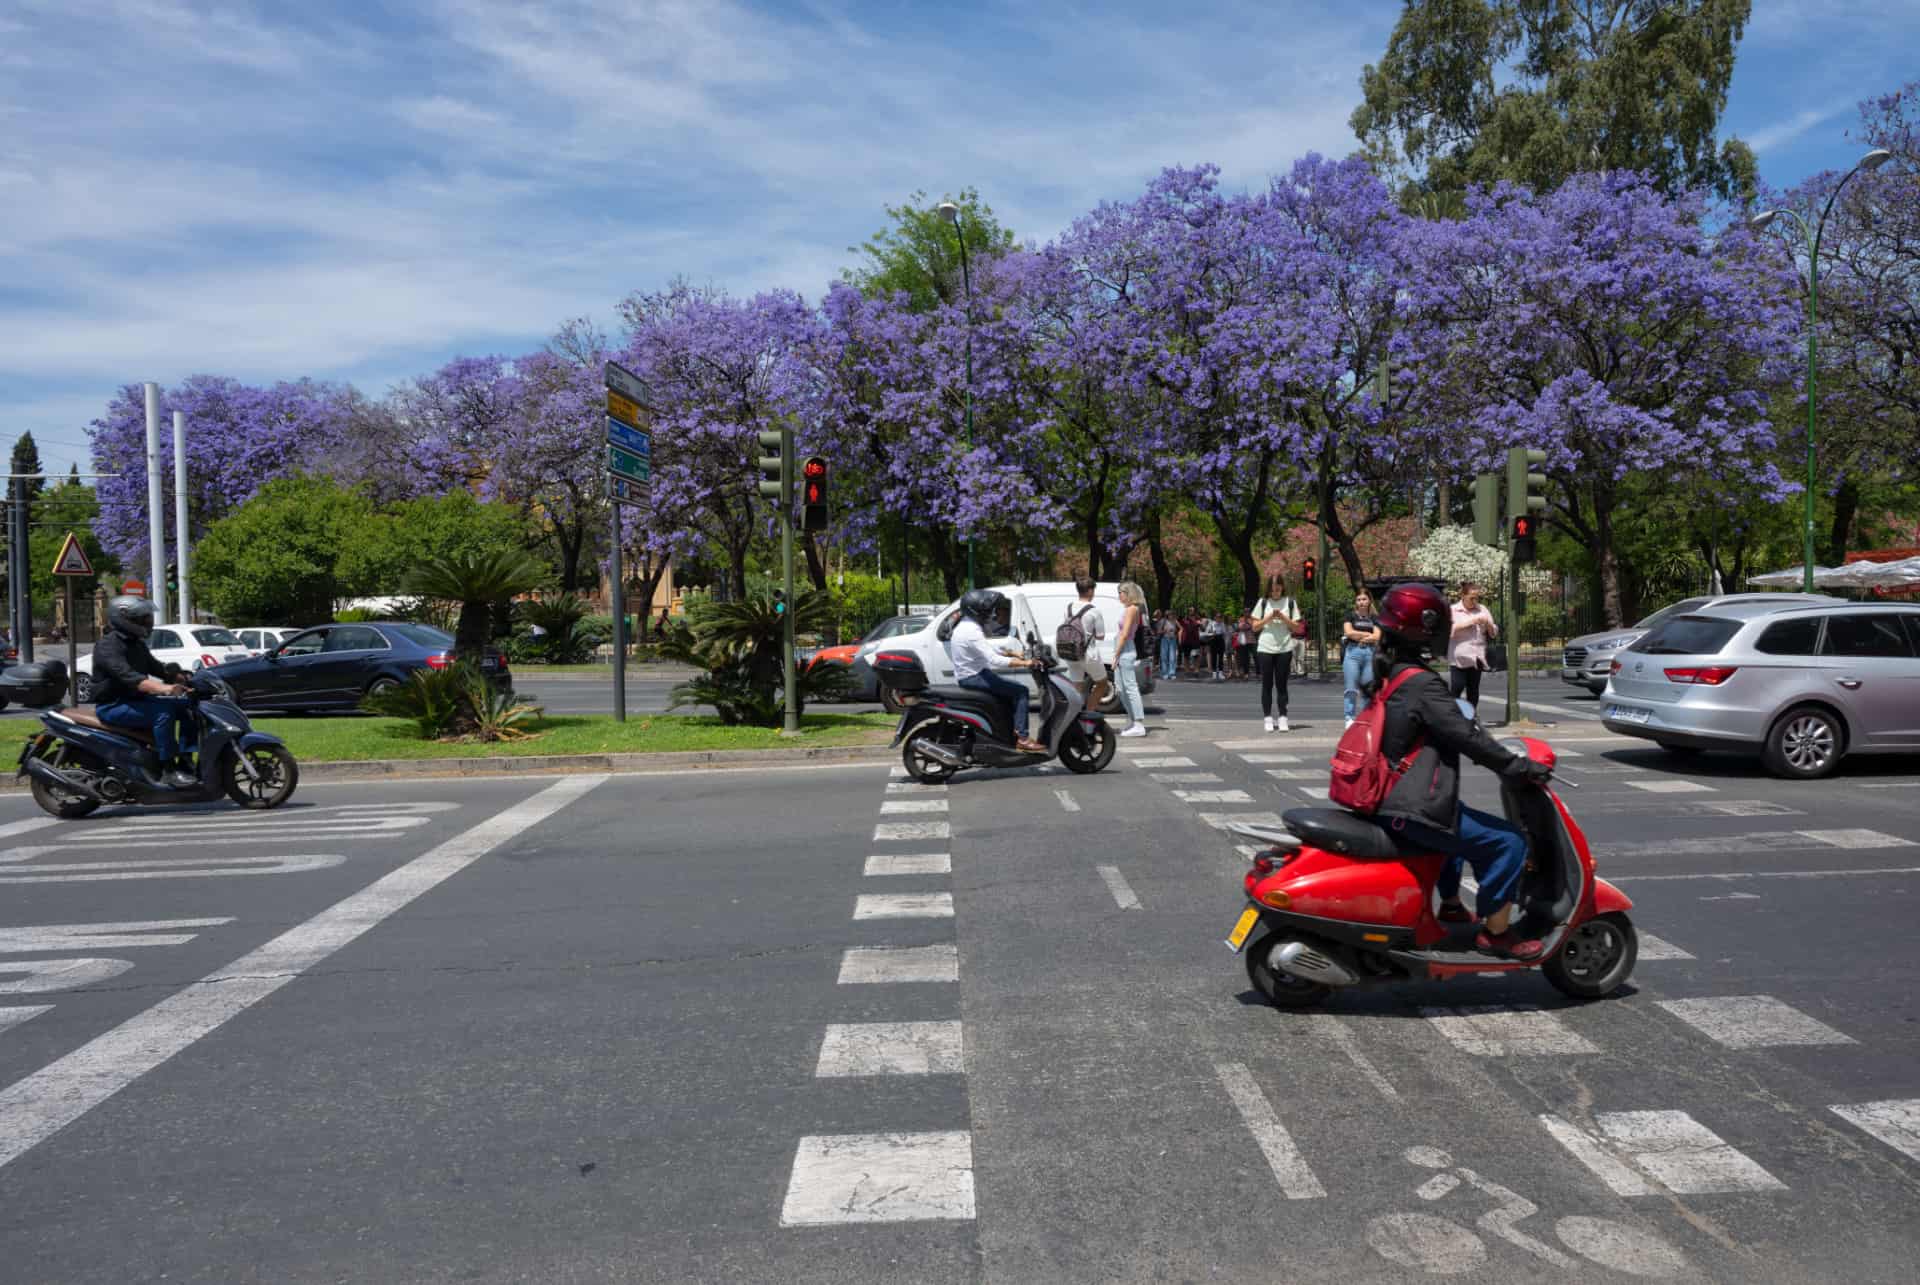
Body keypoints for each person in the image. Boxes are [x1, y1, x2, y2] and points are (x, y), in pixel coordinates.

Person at [1367, 582, 1553, 959]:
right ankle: (1497, 934)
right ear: (1426, 629)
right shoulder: (1421, 684)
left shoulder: (1390, 675)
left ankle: (1450, 904)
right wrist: (1518, 767)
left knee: (1454, 824)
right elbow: (1466, 735)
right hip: (1409, 806)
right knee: (1508, 842)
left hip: (1390, 797)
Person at [91, 595, 198, 788]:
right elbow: (131, 678)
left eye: (148, 617)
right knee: (163, 714)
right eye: (142, 618)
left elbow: (158, 669)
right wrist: (165, 688)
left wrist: (186, 679)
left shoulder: (136, 644)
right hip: (113, 705)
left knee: (189, 706)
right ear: (124, 618)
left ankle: (186, 760)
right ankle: (168, 771)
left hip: (136, 702)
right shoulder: (108, 646)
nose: (148, 622)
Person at [948, 589, 1046, 753]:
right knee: (1021, 691)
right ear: (977, 610)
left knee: (1008, 696)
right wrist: (1026, 663)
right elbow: (993, 660)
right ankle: (1022, 738)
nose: (991, 613)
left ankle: (1009, 734)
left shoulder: (967, 625)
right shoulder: (971, 630)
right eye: (987, 609)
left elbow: (983, 647)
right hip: (975, 677)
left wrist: (1011, 652)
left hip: (973, 674)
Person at [1252, 574, 1304, 733]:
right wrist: (1269, 617)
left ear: (1282, 587)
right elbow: (1255, 627)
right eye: (1272, 589)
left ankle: (1283, 717)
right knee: (1267, 684)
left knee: (1282, 685)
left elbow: (1297, 628)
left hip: (1284, 648)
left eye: (1278, 588)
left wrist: (1282, 616)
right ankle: (1268, 717)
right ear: (1268, 588)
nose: (1275, 591)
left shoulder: (1290, 603)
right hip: (1265, 647)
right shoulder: (1262, 602)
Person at [1448, 582, 1499, 712]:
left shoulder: (1482, 609)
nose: (1474, 601)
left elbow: (1493, 633)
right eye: (1472, 597)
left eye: (1477, 597)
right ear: (1463, 595)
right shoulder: (1453, 610)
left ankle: (1470, 716)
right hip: (1459, 658)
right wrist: (1471, 622)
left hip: (1477, 657)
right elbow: (1449, 630)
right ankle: (1454, 716)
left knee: (1473, 689)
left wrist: (1488, 624)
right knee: (1457, 688)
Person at [1110, 581, 1150, 737]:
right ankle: (1133, 721)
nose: (1119, 595)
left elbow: (1125, 634)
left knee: (1130, 687)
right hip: (1123, 649)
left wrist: (1116, 655)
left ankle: (1139, 724)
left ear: (1129, 593)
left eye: (1121, 592)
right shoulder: (1127, 609)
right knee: (1120, 689)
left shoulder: (1132, 609)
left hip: (1125, 650)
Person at [1064, 575, 1110, 709]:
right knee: (1102, 684)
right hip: (1088, 653)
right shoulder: (1094, 611)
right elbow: (1101, 636)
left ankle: (1074, 716)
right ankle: (1088, 714)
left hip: (1071, 653)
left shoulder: (1069, 608)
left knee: (1076, 686)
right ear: (1090, 591)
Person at [1341, 588, 1382, 728]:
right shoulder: (1350, 615)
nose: (1361, 602)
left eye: (1364, 599)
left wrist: (1359, 634)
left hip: (1370, 654)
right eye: (1359, 600)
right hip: (1353, 653)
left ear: (1369, 601)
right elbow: (1348, 633)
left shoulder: (1375, 618)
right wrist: (1367, 635)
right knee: (1351, 687)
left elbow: (1377, 636)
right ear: (1356, 602)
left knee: (1368, 688)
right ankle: (1349, 717)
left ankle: (1366, 717)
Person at [1157, 610, 1178, 682]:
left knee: (1172, 657)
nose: (1171, 616)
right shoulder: (1163, 621)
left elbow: (1181, 628)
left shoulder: (1175, 621)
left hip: (1172, 639)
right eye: (1169, 615)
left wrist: (1176, 633)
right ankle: (1164, 673)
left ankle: (1172, 673)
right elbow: (1158, 631)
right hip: (1165, 639)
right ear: (1167, 615)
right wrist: (1165, 631)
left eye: (1172, 614)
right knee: (1164, 657)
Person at [1232, 614, 1255, 680]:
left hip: (1246, 643)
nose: (1242, 619)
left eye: (1243, 618)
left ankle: (1246, 673)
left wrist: (1243, 625)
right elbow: (1234, 631)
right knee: (1238, 658)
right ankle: (1239, 672)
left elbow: (1249, 627)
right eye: (1241, 618)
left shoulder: (1248, 624)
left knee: (1246, 659)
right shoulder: (1236, 624)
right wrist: (1236, 631)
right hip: (1238, 644)